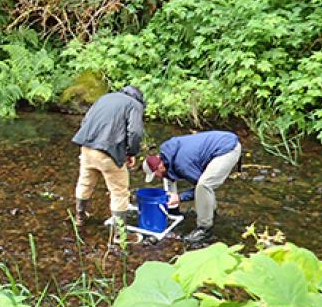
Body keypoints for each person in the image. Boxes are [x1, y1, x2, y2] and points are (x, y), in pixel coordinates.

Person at [143, 130, 241, 244]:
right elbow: (169, 175)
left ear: (160, 167)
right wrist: (173, 208)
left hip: (227, 149)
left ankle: (204, 230)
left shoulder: (182, 164)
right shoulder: (167, 155)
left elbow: (200, 188)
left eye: (155, 174)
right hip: (220, 142)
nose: (156, 177)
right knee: (200, 184)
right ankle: (210, 213)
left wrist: (180, 197)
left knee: (204, 185)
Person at [70, 85, 146, 232]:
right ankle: (119, 234)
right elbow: (135, 132)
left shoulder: (105, 98)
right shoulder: (134, 105)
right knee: (119, 192)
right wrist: (131, 153)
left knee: (85, 183)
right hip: (110, 152)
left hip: (87, 147)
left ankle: (80, 217)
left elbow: (85, 121)